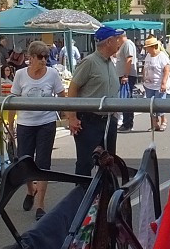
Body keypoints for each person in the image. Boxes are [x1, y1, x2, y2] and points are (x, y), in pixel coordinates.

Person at [11, 41, 66, 220]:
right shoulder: (20, 75)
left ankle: (40, 205)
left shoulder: (52, 74)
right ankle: (30, 190)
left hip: (46, 122)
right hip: (26, 123)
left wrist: (65, 115)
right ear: (31, 58)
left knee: (43, 164)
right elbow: (13, 99)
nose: (44, 60)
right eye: (40, 57)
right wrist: (11, 125)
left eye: (46, 57)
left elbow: (62, 95)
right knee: (24, 163)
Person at [64, 26, 124, 175]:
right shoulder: (89, 62)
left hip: (109, 120)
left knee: (109, 162)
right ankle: (82, 195)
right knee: (85, 163)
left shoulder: (110, 62)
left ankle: (105, 196)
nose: (119, 42)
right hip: (90, 120)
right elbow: (73, 88)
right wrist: (71, 117)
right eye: (117, 39)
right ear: (109, 41)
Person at [141, 36, 170, 131]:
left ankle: (163, 120)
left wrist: (164, 83)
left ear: (153, 46)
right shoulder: (148, 56)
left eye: (148, 47)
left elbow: (167, 69)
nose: (146, 49)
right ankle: (154, 124)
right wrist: (143, 78)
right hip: (149, 85)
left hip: (159, 84)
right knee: (151, 105)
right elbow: (145, 67)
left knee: (160, 104)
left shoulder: (162, 56)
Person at [116, 31, 138, 132]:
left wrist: (126, 75)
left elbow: (129, 60)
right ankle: (126, 123)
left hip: (126, 76)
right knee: (124, 99)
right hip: (122, 75)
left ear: (120, 37)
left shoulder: (127, 44)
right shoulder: (123, 45)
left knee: (126, 99)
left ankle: (128, 124)